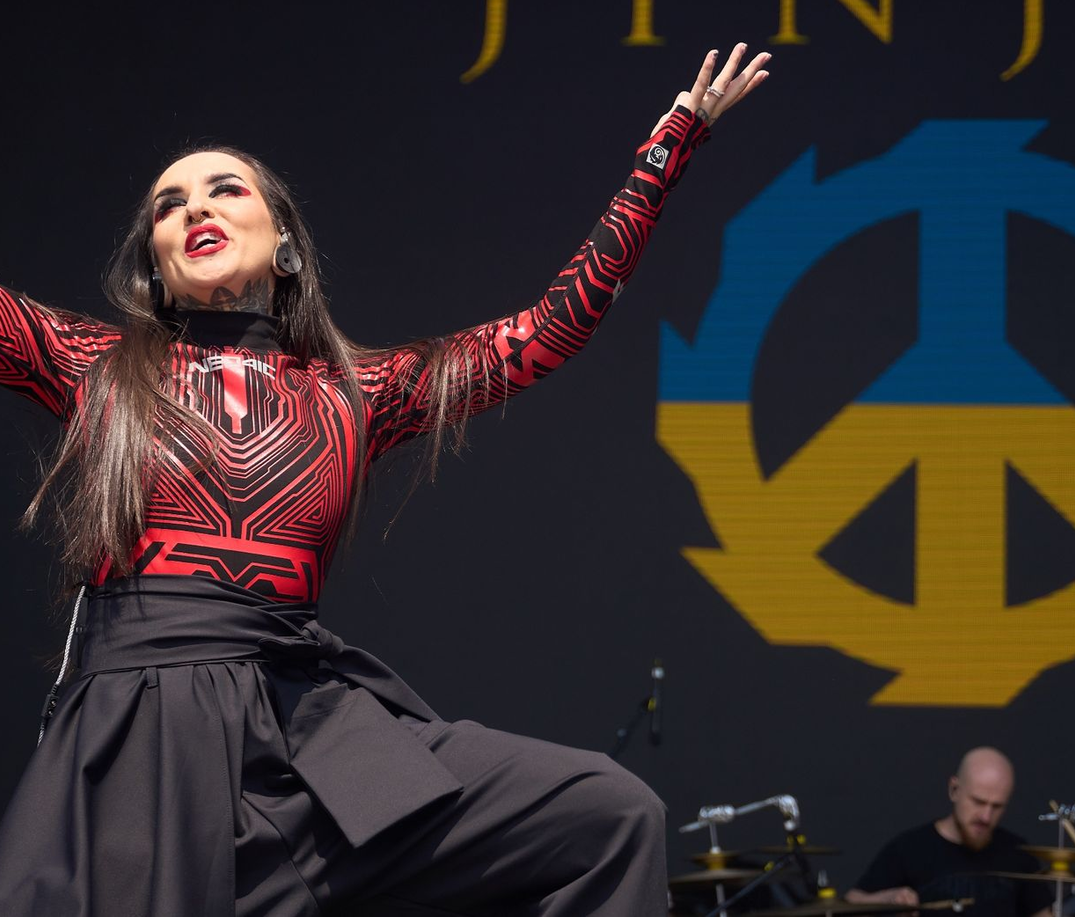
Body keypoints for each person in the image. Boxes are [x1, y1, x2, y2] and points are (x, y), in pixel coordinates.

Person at [0, 44, 770, 917]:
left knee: (611, 814)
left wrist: (669, 148)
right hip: (147, 741)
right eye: (168, 207)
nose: (194, 208)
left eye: (225, 189)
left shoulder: (359, 391)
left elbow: (550, 329)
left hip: (302, 732)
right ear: (157, 265)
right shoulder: (95, 367)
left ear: (284, 243)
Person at [846, 748, 1075, 917]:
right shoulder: (909, 848)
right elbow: (851, 902)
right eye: (978, 802)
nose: (986, 816)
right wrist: (887, 899)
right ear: (954, 789)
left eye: (997, 806)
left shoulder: (1017, 854)